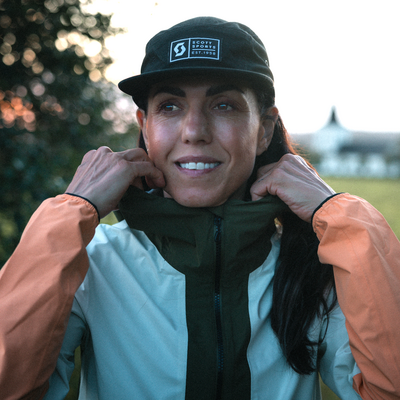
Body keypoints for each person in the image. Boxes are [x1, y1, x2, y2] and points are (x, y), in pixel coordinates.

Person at [0, 16, 399, 400]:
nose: (194, 131)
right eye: (170, 106)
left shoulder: (312, 266)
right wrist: (70, 212)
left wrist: (342, 216)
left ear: (264, 130)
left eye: (223, 105)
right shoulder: (92, 261)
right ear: (144, 127)